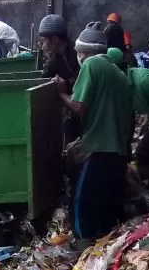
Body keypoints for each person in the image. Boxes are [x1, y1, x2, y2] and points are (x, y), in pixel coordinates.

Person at [55, 22, 133, 240]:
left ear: (84, 52)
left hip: (99, 150)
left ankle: (82, 250)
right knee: (104, 209)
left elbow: (79, 107)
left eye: (79, 53)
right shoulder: (117, 73)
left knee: (80, 206)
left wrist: (61, 93)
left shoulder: (92, 65)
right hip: (116, 151)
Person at [37, 13, 80, 144]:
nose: (42, 46)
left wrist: (64, 89)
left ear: (55, 39)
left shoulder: (80, 55)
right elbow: (41, 82)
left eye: (43, 41)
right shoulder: (54, 61)